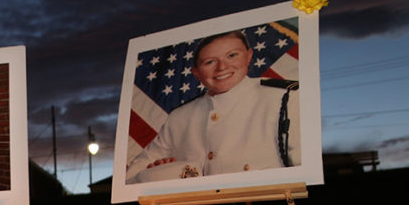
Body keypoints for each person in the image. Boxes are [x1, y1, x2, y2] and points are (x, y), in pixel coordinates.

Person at [128, 30, 300, 182]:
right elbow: (132, 176)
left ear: (249, 56)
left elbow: (304, 171)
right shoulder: (180, 117)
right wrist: (156, 173)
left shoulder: (285, 98)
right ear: (196, 72)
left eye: (232, 55)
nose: (222, 67)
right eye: (210, 62)